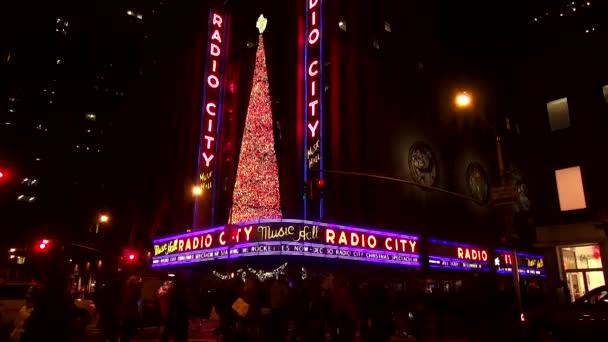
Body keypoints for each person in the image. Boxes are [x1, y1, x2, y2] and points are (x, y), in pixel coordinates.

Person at [159, 277, 189, 342]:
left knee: (168, 332)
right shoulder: (172, 295)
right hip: (176, 317)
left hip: (172, 316)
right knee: (178, 333)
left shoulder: (165, 294)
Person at [119, 275, 143, 342]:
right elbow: (133, 300)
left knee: (125, 330)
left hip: (126, 312)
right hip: (130, 312)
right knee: (127, 330)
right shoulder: (135, 289)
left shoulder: (126, 288)